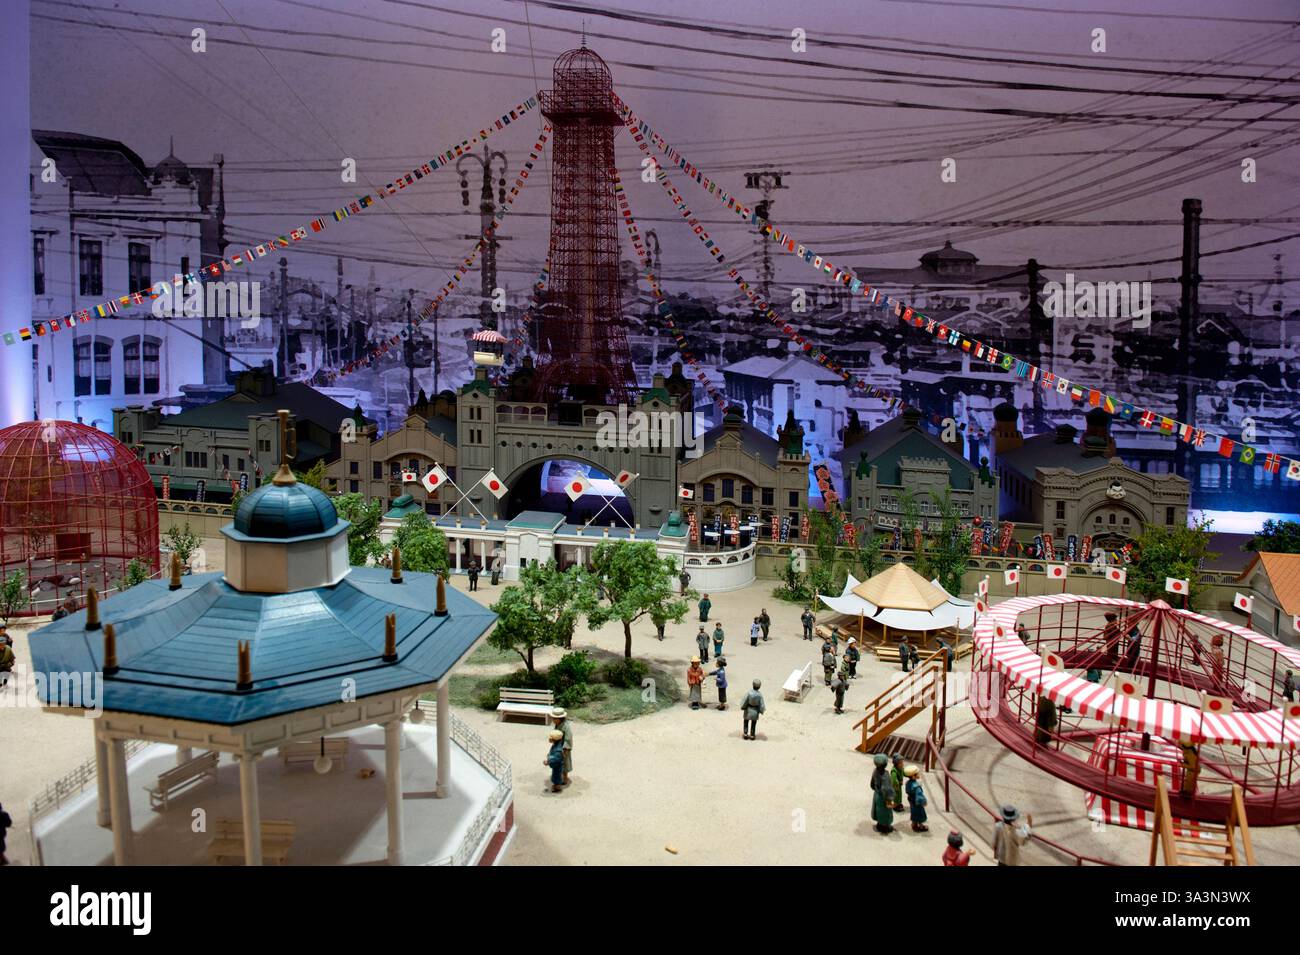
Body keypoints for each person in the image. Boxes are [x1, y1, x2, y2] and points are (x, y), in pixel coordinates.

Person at [870, 754, 895, 834]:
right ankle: (885, 827)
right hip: (883, 797)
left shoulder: (875, 771)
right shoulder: (885, 775)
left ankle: (879, 824)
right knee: (885, 812)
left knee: (877, 810)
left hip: (877, 794)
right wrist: (889, 799)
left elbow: (872, 784)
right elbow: (887, 788)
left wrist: (875, 789)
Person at [904, 765, 929, 832]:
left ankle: (914, 824)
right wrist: (923, 802)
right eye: (917, 773)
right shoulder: (916, 786)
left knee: (914, 813)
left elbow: (907, 791)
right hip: (917, 802)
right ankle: (920, 826)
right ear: (913, 776)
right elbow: (919, 796)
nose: (919, 774)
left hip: (911, 800)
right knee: (920, 814)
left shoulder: (908, 783)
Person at [552, 707, 573, 785]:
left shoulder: (566, 726)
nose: (553, 720)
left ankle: (565, 778)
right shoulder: (558, 724)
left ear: (560, 718)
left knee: (565, 763)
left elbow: (568, 738)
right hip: (558, 746)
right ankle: (559, 775)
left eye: (554, 719)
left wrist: (566, 748)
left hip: (564, 747)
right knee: (558, 762)